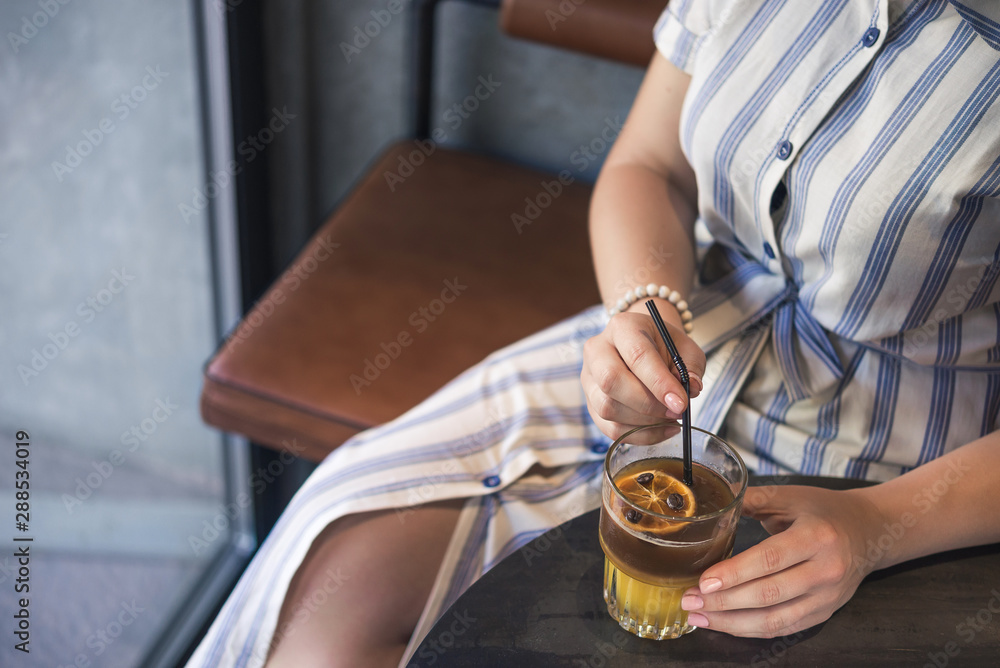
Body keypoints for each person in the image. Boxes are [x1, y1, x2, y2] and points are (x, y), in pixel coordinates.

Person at [187, 1, 1000, 666]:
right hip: (693, 322)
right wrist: (645, 312)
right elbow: (650, 165)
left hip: (895, 464)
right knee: (336, 590)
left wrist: (879, 526)